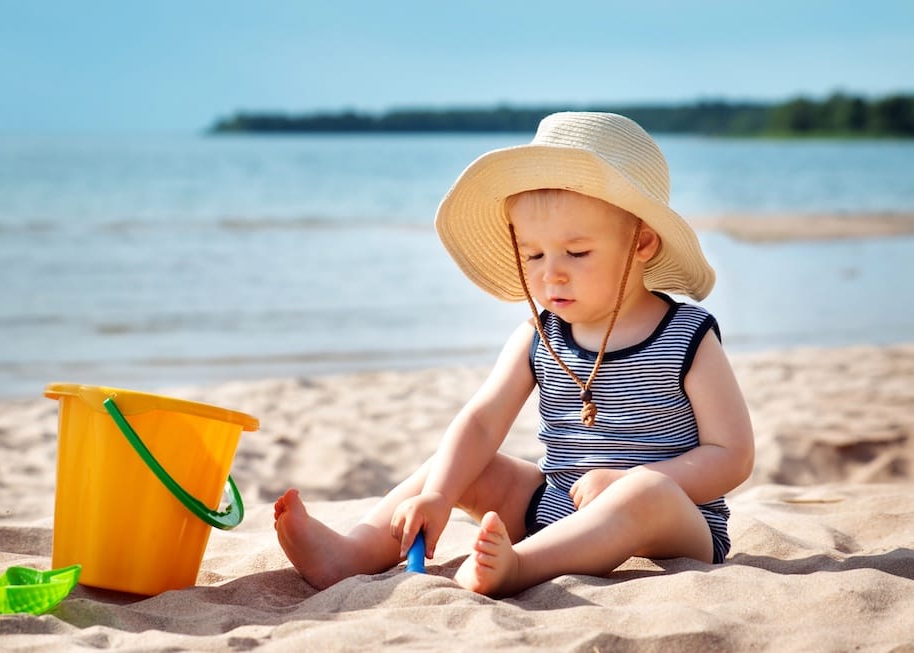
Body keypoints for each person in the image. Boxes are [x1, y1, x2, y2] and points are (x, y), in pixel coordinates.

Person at [274, 111, 754, 598]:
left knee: (642, 494)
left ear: (642, 243)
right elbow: (482, 422)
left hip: (674, 522)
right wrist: (440, 494)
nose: (552, 275)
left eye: (577, 252)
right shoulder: (539, 334)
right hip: (554, 506)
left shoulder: (685, 335)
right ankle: (354, 552)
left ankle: (521, 567)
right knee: (462, 463)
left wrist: (631, 478)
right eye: (534, 255)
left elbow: (731, 455)